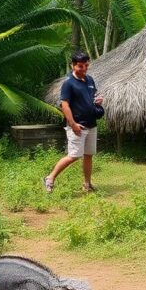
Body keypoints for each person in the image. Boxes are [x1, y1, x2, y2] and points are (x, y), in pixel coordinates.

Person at [44, 51, 104, 193]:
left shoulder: (90, 80)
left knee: (88, 155)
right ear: (73, 65)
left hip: (91, 124)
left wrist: (98, 101)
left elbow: (93, 96)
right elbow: (64, 105)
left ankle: (87, 184)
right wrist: (73, 124)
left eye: (86, 65)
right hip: (78, 126)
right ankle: (50, 178)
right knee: (74, 155)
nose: (84, 69)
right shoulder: (68, 83)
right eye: (80, 66)